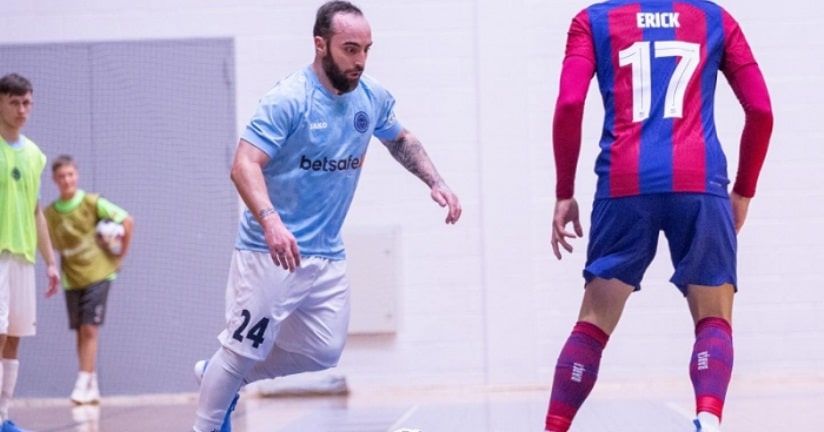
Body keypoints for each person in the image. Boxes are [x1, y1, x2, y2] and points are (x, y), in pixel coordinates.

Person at [191, 1, 462, 431]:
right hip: (270, 250)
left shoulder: (371, 97)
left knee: (323, 350)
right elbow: (243, 163)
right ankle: (207, 419)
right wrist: (271, 222)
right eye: (350, 49)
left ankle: (218, 375)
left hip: (326, 253)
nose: (359, 60)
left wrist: (436, 181)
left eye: (366, 49)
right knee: (243, 349)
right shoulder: (289, 99)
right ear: (320, 45)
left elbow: (400, 139)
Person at [544, 1, 773, 431]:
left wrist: (564, 191)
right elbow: (761, 110)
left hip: (624, 182)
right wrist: (744, 190)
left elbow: (570, 103)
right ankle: (708, 417)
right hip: (699, 180)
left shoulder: (592, 20)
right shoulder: (714, 18)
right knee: (713, 314)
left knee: (594, 319)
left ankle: (554, 426)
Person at [43, 154, 134, 405]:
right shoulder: (50, 214)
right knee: (80, 332)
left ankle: (81, 382)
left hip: (98, 274)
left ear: (77, 175)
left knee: (90, 328)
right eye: (61, 176)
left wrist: (119, 256)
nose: (67, 180)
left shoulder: (93, 203)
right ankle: (91, 383)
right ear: (54, 180)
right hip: (72, 278)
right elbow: (45, 241)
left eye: (70, 174)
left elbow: (127, 221)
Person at [0, 72, 61, 432]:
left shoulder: (36, 155)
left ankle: (3, 416)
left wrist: (51, 262)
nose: (22, 109)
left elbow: (37, 210)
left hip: (23, 256)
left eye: (27, 103)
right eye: (14, 102)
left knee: (15, 336)